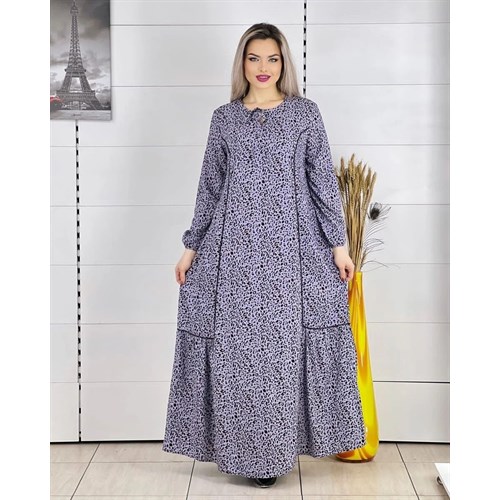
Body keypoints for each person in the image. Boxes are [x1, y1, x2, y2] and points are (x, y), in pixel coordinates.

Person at [162, 23, 366, 488]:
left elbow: (322, 183)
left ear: (283, 63)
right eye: (254, 58)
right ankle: (243, 452)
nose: (263, 68)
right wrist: (191, 247)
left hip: (293, 254)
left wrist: (339, 246)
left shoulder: (305, 114)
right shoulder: (224, 119)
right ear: (242, 62)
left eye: (272, 59)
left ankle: (276, 453)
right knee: (239, 357)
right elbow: (210, 187)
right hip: (231, 254)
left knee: (281, 357)